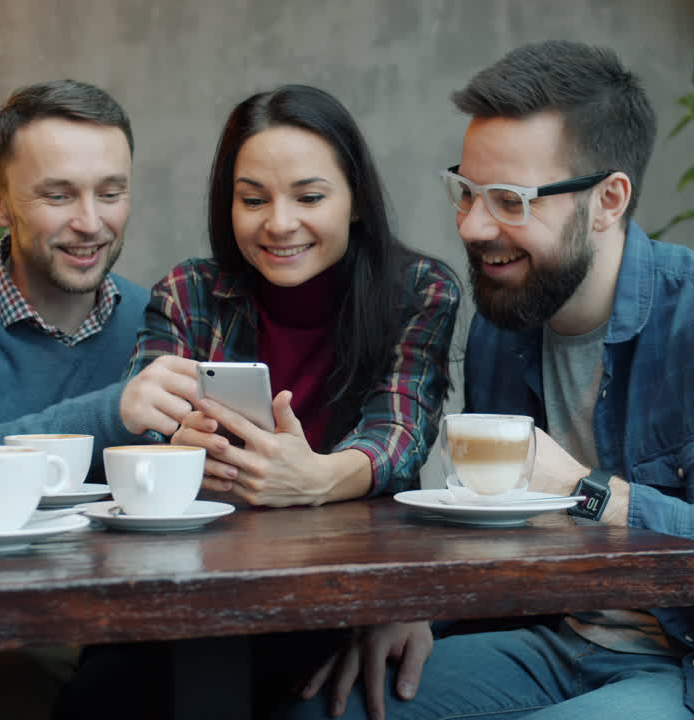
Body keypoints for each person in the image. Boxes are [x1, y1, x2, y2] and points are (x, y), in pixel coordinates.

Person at [288, 41, 694, 720]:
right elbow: (493, 530)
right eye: (466, 192)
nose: (473, 226)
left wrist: (596, 496)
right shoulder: (504, 326)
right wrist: (423, 609)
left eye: (510, 200)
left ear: (608, 200)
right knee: (327, 708)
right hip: (553, 641)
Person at [124, 84, 460, 508]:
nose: (280, 223)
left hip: (362, 550)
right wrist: (178, 443)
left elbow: (399, 435)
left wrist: (316, 478)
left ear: (355, 201)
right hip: (214, 546)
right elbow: (144, 431)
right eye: (253, 199)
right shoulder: (187, 293)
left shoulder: (418, 291)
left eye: (309, 198)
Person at [0, 79, 196, 491]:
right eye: (59, 197)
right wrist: (114, 414)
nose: (90, 223)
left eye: (110, 193)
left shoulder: (158, 320)